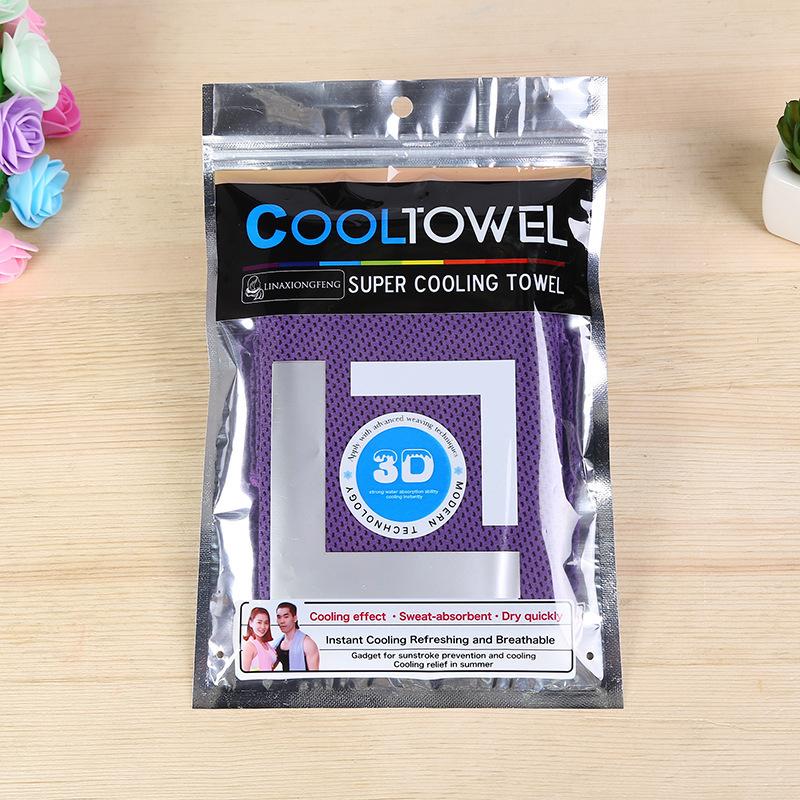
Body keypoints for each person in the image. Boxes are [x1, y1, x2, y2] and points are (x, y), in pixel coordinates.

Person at [272, 602, 319, 671]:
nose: (282, 621)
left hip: (302, 678)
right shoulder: (277, 643)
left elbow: (314, 675)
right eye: (279, 617)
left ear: (295, 618)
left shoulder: (307, 643)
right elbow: (268, 668)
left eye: (286, 617)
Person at [241, 607, 277, 672]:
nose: (263, 626)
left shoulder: (266, 644)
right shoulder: (250, 646)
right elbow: (244, 674)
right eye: (259, 622)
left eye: (266, 623)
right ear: (251, 623)